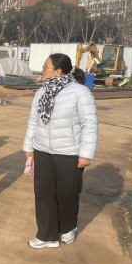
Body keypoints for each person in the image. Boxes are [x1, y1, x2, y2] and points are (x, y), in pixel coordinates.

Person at [23, 54, 98, 249]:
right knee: (44, 194)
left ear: (58, 71)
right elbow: (33, 121)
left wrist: (86, 153)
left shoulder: (80, 92)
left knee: (67, 194)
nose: (42, 70)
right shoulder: (41, 91)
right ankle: (47, 235)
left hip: (69, 152)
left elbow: (89, 124)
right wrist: (29, 147)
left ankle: (68, 227)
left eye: (45, 67)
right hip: (43, 151)